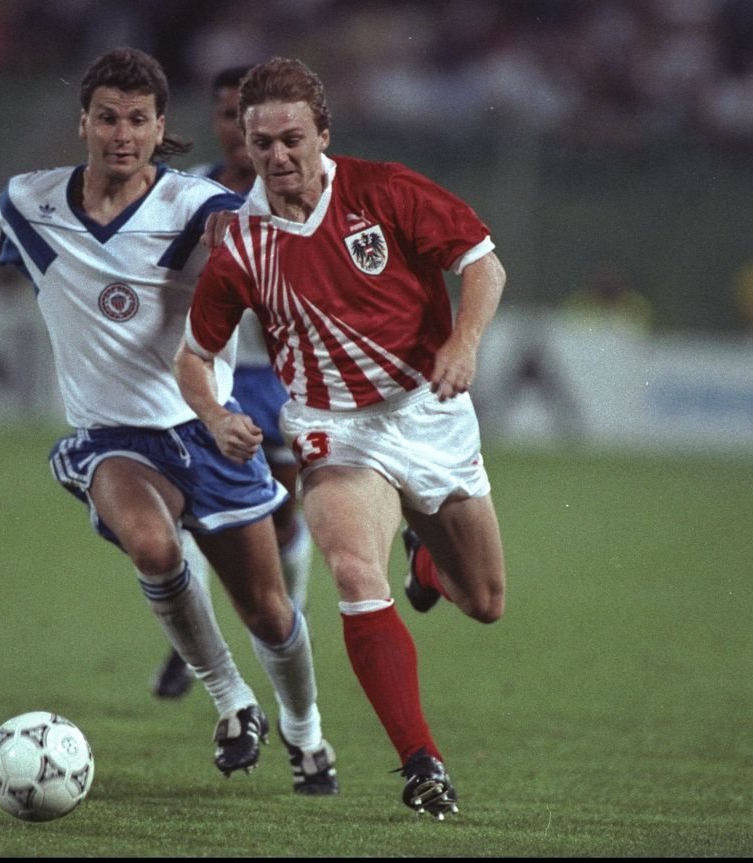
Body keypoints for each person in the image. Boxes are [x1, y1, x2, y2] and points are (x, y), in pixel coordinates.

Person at [0, 48, 336, 795]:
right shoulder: (32, 200)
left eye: (138, 120)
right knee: (153, 546)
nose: (122, 134)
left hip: (207, 430)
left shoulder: (198, 206)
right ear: (84, 124)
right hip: (115, 439)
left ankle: (306, 732)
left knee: (269, 611)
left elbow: (256, 252)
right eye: (108, 118)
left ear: (161, 127)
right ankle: (233, 700)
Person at [175, 57, 507, 820]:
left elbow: (483, 265)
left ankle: (428, 560)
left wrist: (463, 343)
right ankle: (421, 762)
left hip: (429, 411)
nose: (277, 155)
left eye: (291, 138)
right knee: (356, 572)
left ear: (323, 133)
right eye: (262, 143)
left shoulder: (384, 189)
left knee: (485, 600)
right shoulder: (240, 243)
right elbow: (193, 357)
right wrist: (216, 416)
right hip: (334, 430)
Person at [153, 65, 313, 702]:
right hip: (208, 375)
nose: (239, 130)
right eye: (227, 116)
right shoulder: (188, 193)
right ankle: (190, 642)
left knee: (280, 517)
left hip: (280, 379)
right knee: (194, 512)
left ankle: (287, 624)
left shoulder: (303, 192)